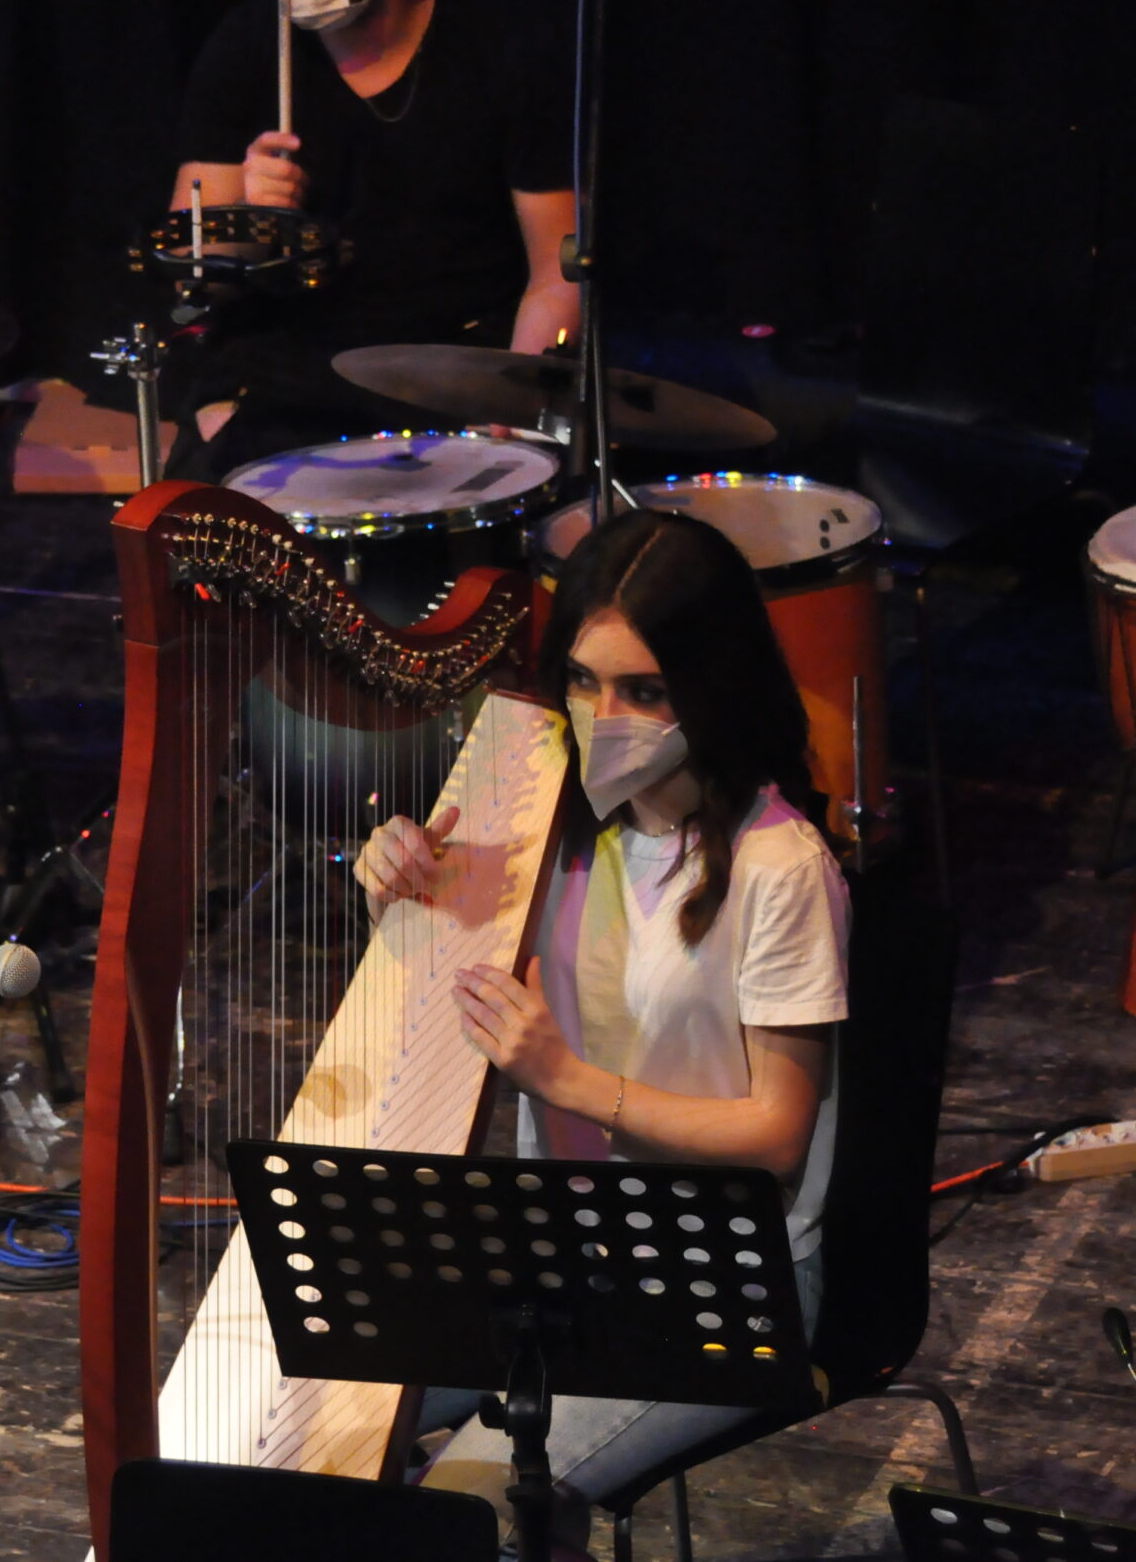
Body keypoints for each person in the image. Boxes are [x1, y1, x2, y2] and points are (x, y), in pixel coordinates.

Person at [352, 508, 849, 1556]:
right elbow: (440, 994)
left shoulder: (780, 867)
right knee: (327, 1387)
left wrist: (566, 1079)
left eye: (643, 691)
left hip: (722, 1277)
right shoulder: (542, 812)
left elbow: (777, 1137)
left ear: (709, 687)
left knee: (462, 1501)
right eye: (583, 681)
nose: (602, 716)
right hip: (560, 1254)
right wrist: (397, 887)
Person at [163, 0, 580, 483]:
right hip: (291, 368)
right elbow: (191, 274)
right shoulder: (249, 43)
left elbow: (558, 267)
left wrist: (521, 402)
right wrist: (248, 223)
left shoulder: (501, 44)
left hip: (454, 367)